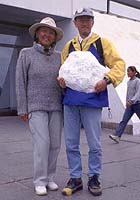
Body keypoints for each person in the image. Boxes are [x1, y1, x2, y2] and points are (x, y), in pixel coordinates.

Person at [58, 7, 125, 196]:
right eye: (81, 20)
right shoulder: (68, 46)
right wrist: (61, 81)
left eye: (88, 20)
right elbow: (63, 71)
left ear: (93, 22)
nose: (84, 23)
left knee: (94, 143)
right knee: (71, 142)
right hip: (70, 101)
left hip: (92, 101)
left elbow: (119, 64)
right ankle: (75, 177)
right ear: (75, 23)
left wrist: (107, 80)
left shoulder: (102, 43)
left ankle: (94, 176)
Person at [16, 17, 63, 196]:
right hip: (36, 106)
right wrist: (22, 108)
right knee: (42, 144)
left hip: (56, 106)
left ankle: (50, 177)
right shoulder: (26, 54)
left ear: (54, 37)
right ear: (37, 33)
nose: (47, 35)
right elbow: (20, 82)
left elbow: (63, 81)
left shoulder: (59, 57)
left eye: (51, 33)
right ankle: (39, 180)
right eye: (44, 31)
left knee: (55, 144)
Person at [109, 66, 140, 143]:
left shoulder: (138, 81)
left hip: (137, 104)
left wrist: (131, 101)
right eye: (127, 71)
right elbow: (128, 93)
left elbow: (138, 93)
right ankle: (117, 136)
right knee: (124, 120)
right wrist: (127, 101)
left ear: (134, 72)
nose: (127, 73)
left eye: (129, 71)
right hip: (130, 106)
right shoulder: (129, 82)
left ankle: (117, 135)